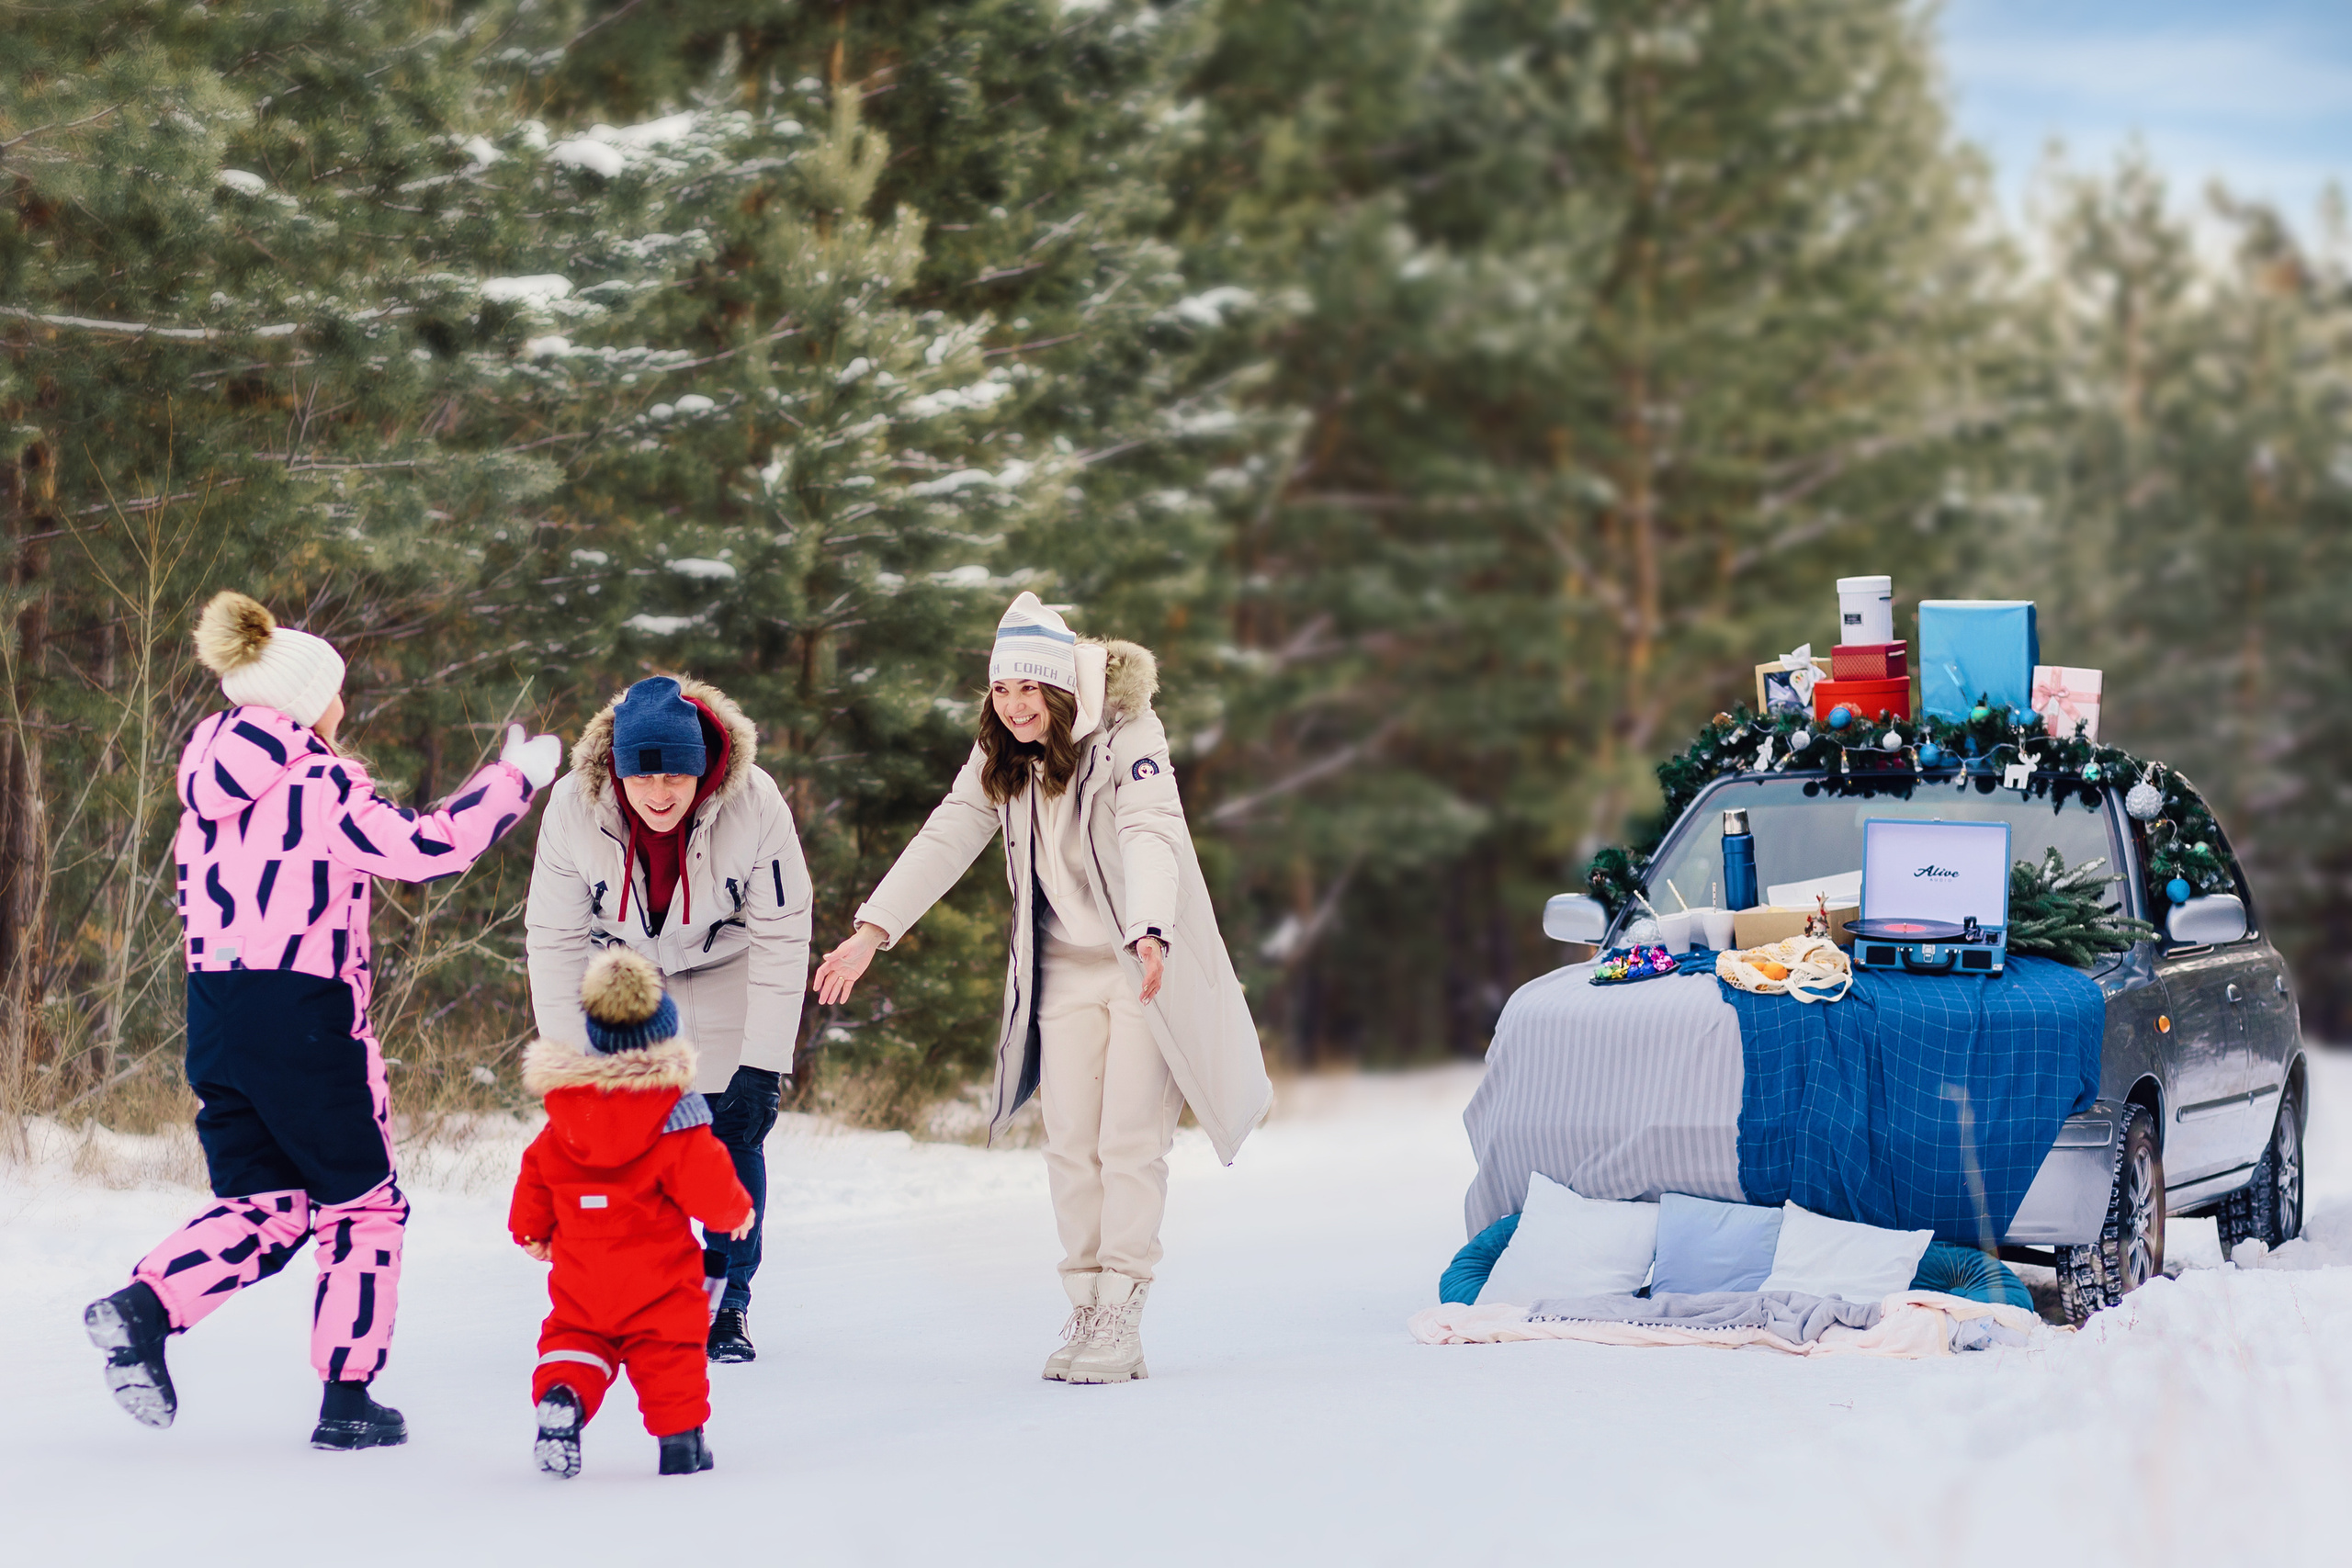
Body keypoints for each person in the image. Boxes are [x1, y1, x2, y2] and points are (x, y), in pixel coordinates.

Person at [84, 591, 561, 1450]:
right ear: (306, 699)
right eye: (337, 689)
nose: (345, 705)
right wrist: (513, 782)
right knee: (363, 1205)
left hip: (216, 1009)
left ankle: (144, 1309)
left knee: (268, 1201)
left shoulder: (205, 789)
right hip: (302, 1010)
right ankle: (348, 1401)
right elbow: (425, 849)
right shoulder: (318, 780)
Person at [813, 592, 1271, 1383]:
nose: (1016, 705)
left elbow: (1152, 828)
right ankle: (1085, 1297)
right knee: (1069, 1142)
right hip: (1059, 969)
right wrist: (872, 930)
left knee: (1128, 1138)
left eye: (1030, 689)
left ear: (1061, 687)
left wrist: (1151, 927)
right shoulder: (1000, 754)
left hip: (1142, 962)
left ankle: (1122, 1303)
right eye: (1001, 689)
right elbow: (948, 834)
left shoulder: (1131, 734)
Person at [526, 675, 811, 1363]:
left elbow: (782, 930)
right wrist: (571, 1066)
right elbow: (553, 937)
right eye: (643, 778)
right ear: (616, 770)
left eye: (677, 777)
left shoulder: (755, 801)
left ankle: (728, 1304)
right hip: (619, 974)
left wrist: (763, 1062)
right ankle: (625, 1295)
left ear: (703, 767)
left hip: (725, 966)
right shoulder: (572, 805)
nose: (660, 795)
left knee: (728, 1131)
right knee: (612, 1137)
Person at [512, 948, 753, 1479]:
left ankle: (564, 1399)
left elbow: (536, 1173)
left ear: (596, 1040)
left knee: (576, 1337)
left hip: (581, 1272)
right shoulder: (674, 1114)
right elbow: (707, 1180)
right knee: (669, 1347)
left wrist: (533, 1231)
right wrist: (735, 1211)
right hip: (657, 1276)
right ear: (664, 1040)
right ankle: (681, 1443)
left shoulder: (568, 1114)